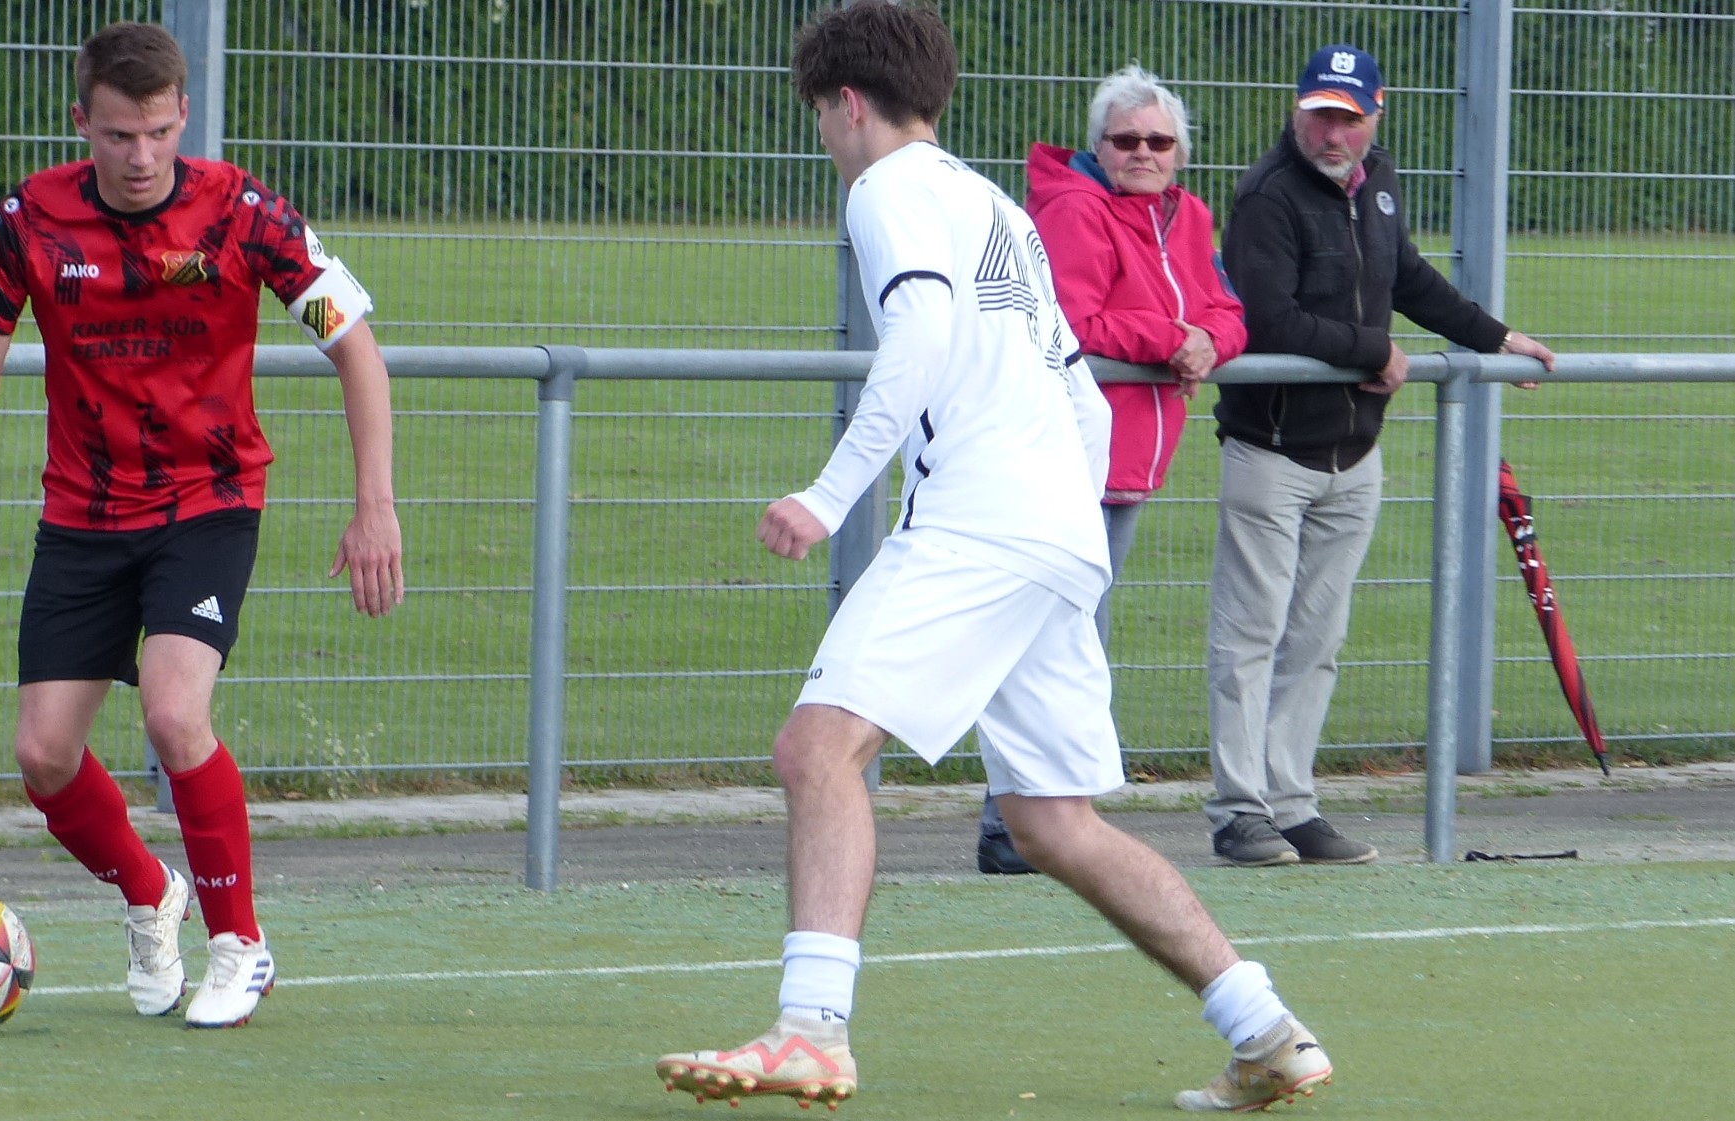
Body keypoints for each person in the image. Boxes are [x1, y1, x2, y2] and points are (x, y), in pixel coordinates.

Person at [655, 4, 1331, 1112]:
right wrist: (1064, 526)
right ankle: (1264, 1028)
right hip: (1054, 529)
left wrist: (827, 497)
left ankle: (811, 1029)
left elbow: (919, 337)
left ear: (846, 103)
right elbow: (1078, 392)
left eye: (820, 113)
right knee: (1052, 821)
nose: (824, 135)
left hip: (981, 523)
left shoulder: (885, 191)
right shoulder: (997, 207)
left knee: (817, 749)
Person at [0, 22, 403, 1028]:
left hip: (206, 505)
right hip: (82, 514)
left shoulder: (245, 214)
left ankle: (239, 943)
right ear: (80, 122)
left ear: (184, 115)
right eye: (118, 135)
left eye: (159, 133)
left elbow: (354, 345)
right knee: (43, 754)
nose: (141, 157)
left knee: (176, 714)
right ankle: (151, 892)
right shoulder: (28, 222)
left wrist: (375, 505)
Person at [1208, 44, 1554, 867]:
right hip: (1270, 451)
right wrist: (1372, 350)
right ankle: (1237, 811)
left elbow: (1409, 278)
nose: (1333, 134)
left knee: (1316, 640)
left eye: (1349, 119)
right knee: (1249, 637)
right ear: (1296, 111)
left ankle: (1291, 805)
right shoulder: (1266, 196)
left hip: (1352, 454)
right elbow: (1267, 319)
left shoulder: (1380, 184)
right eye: (1320, 116)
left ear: (1375, 114)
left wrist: (1495, 336)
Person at [976, 64, 1247, 876]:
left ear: (1180, 154)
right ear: (1097, 145)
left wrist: (1206, 341)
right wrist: (1172, 339)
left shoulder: (1186, 216)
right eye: (1125, 139)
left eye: (1158, 141)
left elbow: (1226, 310)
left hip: (1125, 462)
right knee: (1052, 639)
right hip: (1063, 455)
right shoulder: (1073, 210)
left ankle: (1034, 819)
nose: (1142, 153)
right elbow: (1073, 320)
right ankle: (1016, 824)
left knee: (1068, 639)